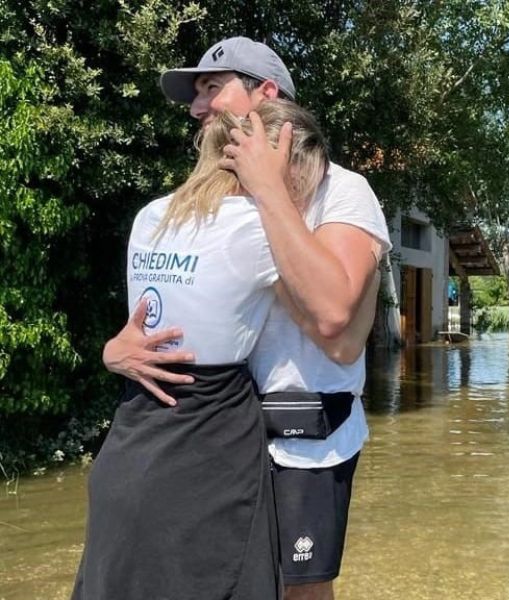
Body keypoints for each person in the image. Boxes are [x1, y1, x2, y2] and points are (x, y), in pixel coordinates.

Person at [103, 37, 392, 600]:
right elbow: (165, 315)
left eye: (212, 88)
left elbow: (334, 323)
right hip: (214, 436)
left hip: (302, 440)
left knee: (296, 592)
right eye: (196, 95)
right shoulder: (201, 201)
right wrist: (114, 351)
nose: (196, 106)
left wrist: (267, 188)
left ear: (265, 92)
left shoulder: (343, 191)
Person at [72, 101, 333, 600]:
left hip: (132, 437)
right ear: (278, 163)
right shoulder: (258, 228)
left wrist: (108, 352)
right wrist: (273, 193)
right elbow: (332, 312)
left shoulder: (151, 216)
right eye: (306, 181)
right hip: (207, 452)